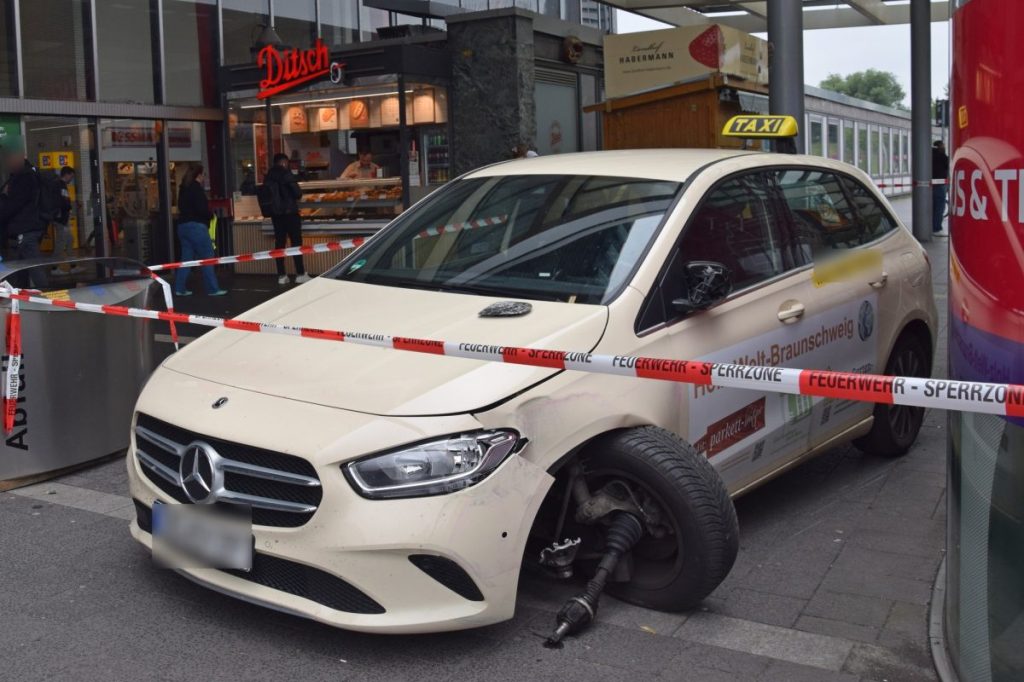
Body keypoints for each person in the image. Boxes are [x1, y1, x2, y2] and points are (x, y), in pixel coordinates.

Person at [174, 164, 226, 297]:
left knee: (186, 259)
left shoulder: (183, 188)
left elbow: (181, 207)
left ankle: (179, 288)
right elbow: (202, 209)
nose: (204, 178)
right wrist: (210, 215)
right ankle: (213, 289)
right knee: (207, 257)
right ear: (199, 175)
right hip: (196, 227)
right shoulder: (197, 189)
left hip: (182, 227)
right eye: (204, 175)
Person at [0, 151, 47, 287]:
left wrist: (4, 198)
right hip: (24, 230)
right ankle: (22, 297)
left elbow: (14, 204)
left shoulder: (24, 177)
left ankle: (47, 298)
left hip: (24, 230)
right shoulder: (26, 175)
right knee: (21, 268)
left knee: (31, 267)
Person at [265, 153, 308, 285]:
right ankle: (300, 273)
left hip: (276, 215)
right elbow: (298, 193)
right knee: (296, 242)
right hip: (290, 213)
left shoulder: (268, 176)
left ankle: (282, 275)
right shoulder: (286, 173)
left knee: (280, 243)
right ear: (284, 162)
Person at [50, 166, 81, 274]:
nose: (71, 179)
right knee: (61, 243)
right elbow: (63, 202)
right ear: (66, 174)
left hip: (62, 219)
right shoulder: (60, 185)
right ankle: (54, 268)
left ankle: (73, 266)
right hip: (61, 220)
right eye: (71, 176)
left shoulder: (59, 185)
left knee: (69, 240)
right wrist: (69, 208)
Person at [932, 140, 949, 236]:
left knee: (933, 207)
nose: (944, 147)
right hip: (940, 184)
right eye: (943, 146)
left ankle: (931, 227)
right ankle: (937, 228)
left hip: (930, 185)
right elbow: (948, 165)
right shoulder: (942, 156)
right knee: (939, 207)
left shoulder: (928, 156)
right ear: (939, 147)